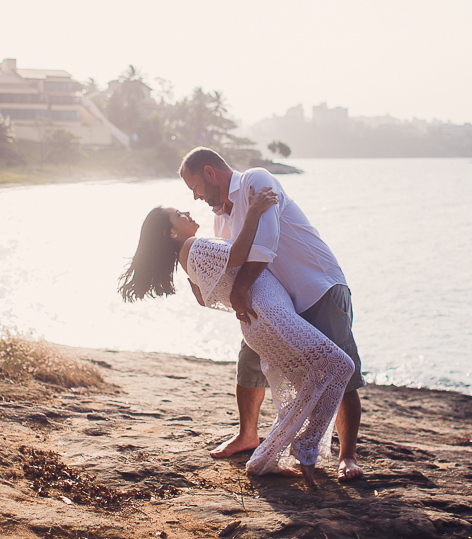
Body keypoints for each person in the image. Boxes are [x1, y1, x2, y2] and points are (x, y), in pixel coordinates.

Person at [119, 188, 352, 487]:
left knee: (309, 382)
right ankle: (304, 448)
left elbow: (204, 299)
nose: (187, 213)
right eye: (179, 215)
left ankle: (266, 458)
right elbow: (238, 255)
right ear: (171, 233)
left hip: (260, 324)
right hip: (271, 317)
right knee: (339, 366)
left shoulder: (186, 258)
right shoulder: (194, 245)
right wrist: (253, 211)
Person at [179, 147, 365, 481]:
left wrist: (240, 289)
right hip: (276, 306)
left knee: (341, 371)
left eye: (196, 188)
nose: (196, 197)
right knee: (248, 363)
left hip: (317, 288)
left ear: (210, 173)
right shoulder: (221, 219)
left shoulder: (256, 181)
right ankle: (247, 435)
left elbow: (267, 241)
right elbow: (233, 263)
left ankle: (347, 456)